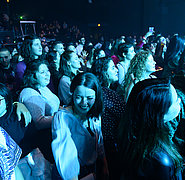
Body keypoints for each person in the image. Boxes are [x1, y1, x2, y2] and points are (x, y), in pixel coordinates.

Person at [119, 78, 183, 179]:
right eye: (175, 101)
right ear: (160, 113)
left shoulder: (133, 135)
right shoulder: (160, 160)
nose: (179, 101)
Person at [52, 72, 109, 180]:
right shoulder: (62, 118)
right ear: (72, 93)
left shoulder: (94, 114)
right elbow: (65, 154)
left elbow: (99, 144)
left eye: (89, 98)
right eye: (79, 97)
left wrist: (104, 165)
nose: (84, 102)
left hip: (89, 170)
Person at [19, 60, 60, 179]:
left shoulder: (42, 87)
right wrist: (62, 116)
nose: (48, 74)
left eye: (47, 70)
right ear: (33, 75)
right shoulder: (30, 93)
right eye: (42, 72)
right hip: (41, 145)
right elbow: (39, 122)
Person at [91, 58, 125, 179]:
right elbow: (125, 115)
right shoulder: (107, 93)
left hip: (102, 146)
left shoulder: (100, 90)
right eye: (112, 68)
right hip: (110, 147)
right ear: (104, 73)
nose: (116, 70)